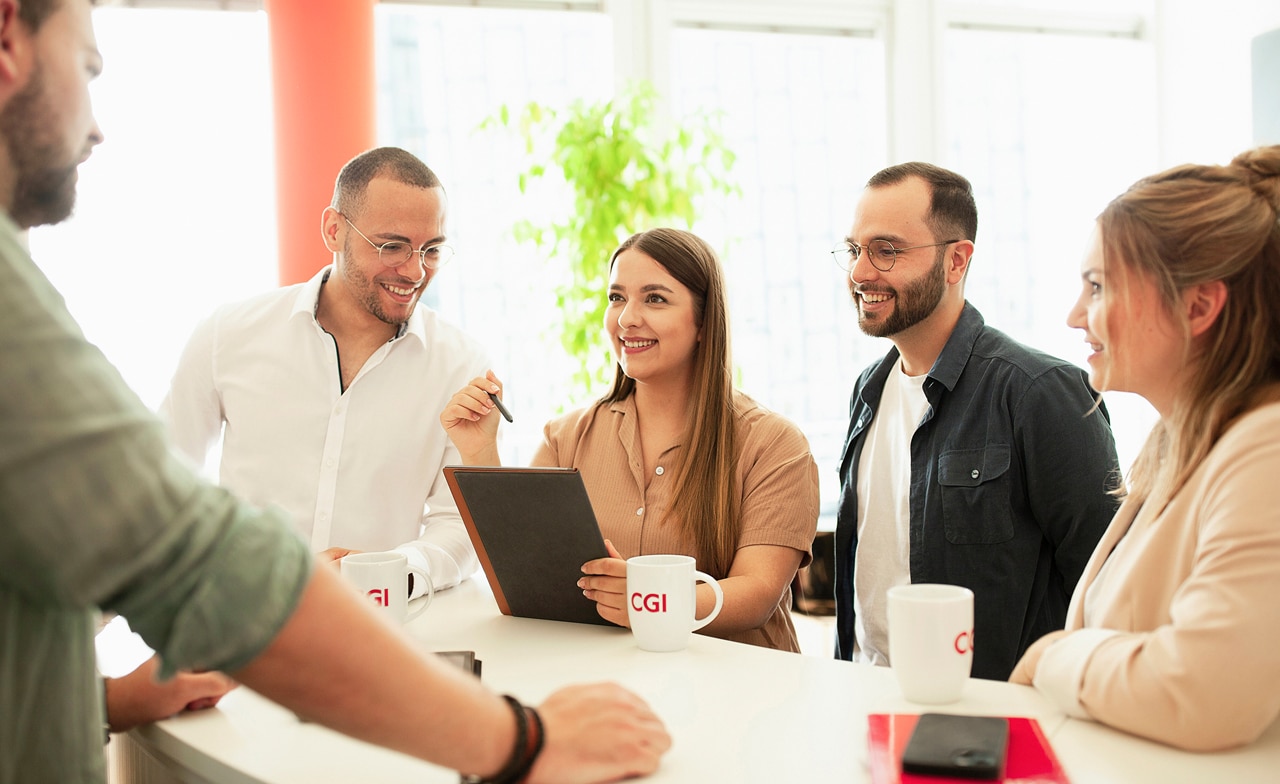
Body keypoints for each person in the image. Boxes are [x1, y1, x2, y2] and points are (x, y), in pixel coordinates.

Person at [0, 1, 670, 781]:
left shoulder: (460, 358)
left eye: (431, 251)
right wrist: (520, 742)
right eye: (88, 69)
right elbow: (171, 544)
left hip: (353, 668)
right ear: (9, 33)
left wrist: (107, 700)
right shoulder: (209, 331)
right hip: (262, 677)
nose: (97, 129)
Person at [1011, 146, 1280, 751]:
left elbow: (1207, 691)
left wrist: (1056, 657)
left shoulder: (1268, 449)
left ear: (1199, 305)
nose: (1075, 315)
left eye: (1099, 287)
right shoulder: (1174, 441)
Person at [442, 228, 820, 652]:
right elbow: (524, 575)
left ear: (703, 320)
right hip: (612, 686)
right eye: (617, 298)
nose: (625, 318)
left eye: (654, 298)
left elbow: (757, 595)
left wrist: (648, 600)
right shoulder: (565, 438)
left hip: (740, 691)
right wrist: (479, 450)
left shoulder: (774, 445)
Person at [832, 162, 1120, 680]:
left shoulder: (1040, 393)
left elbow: (1107, 588)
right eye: (855, 250)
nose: (859, 272)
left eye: (886, 250)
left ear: (956, 261)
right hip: (866, 691)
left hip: (995, 716)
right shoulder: (867, 391)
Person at [161, 145, 487, 598]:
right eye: (392, 246)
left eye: (431, 249)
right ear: (334, 230)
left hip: (383, 632)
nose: (414, 270)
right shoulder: (227, 336)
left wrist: (385, 572)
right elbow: (161, 483)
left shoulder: (462, 365)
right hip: (240, 626)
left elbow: (459, 525)